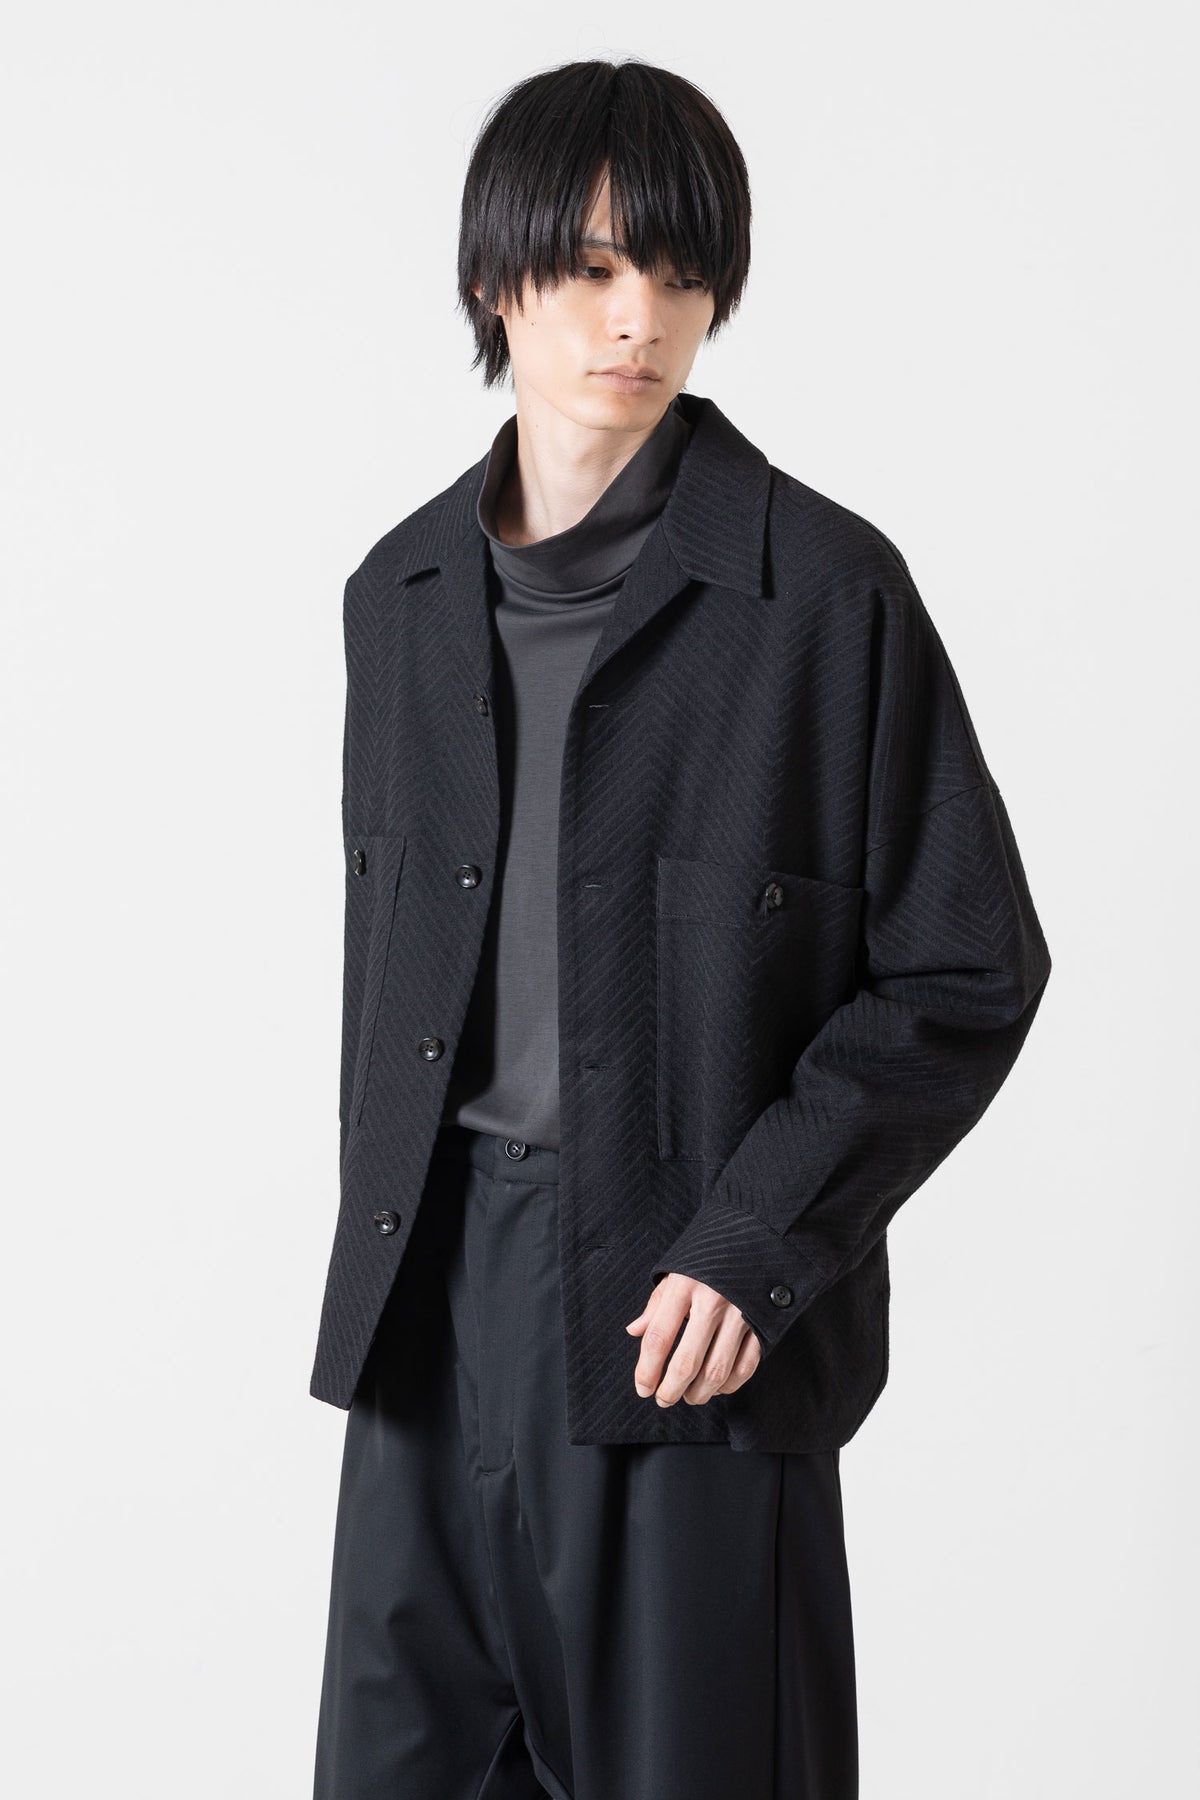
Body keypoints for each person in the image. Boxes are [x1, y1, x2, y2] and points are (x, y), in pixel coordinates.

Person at [309, 57, 1052, 1800]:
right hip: (427, 1318)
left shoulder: (824, 596)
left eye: (678, 271)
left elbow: (967, 962)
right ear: (495, 281)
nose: (637, 317)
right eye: (587, 268)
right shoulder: (399, 598)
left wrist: (754, 1239)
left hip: (680, 1327)